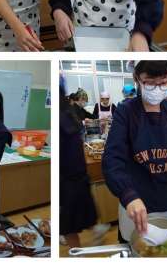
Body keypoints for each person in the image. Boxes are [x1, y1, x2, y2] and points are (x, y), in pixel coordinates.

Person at [102, 61, 167, 242]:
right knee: (134, 246)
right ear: (136, 79)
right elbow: (112, 159)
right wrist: (127, 194)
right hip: (135, 202)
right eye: (149, 82)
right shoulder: (126, 112)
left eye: (163, 82)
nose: (157, 89)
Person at [60, 76, 108, 248]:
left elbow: (91, 117)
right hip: (77, 171)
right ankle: (96, 229)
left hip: (70, 174)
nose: (105, 101)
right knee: (82, 210)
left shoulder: (64, 114)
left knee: (70, 223)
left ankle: (75, 248)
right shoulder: (69, 112)